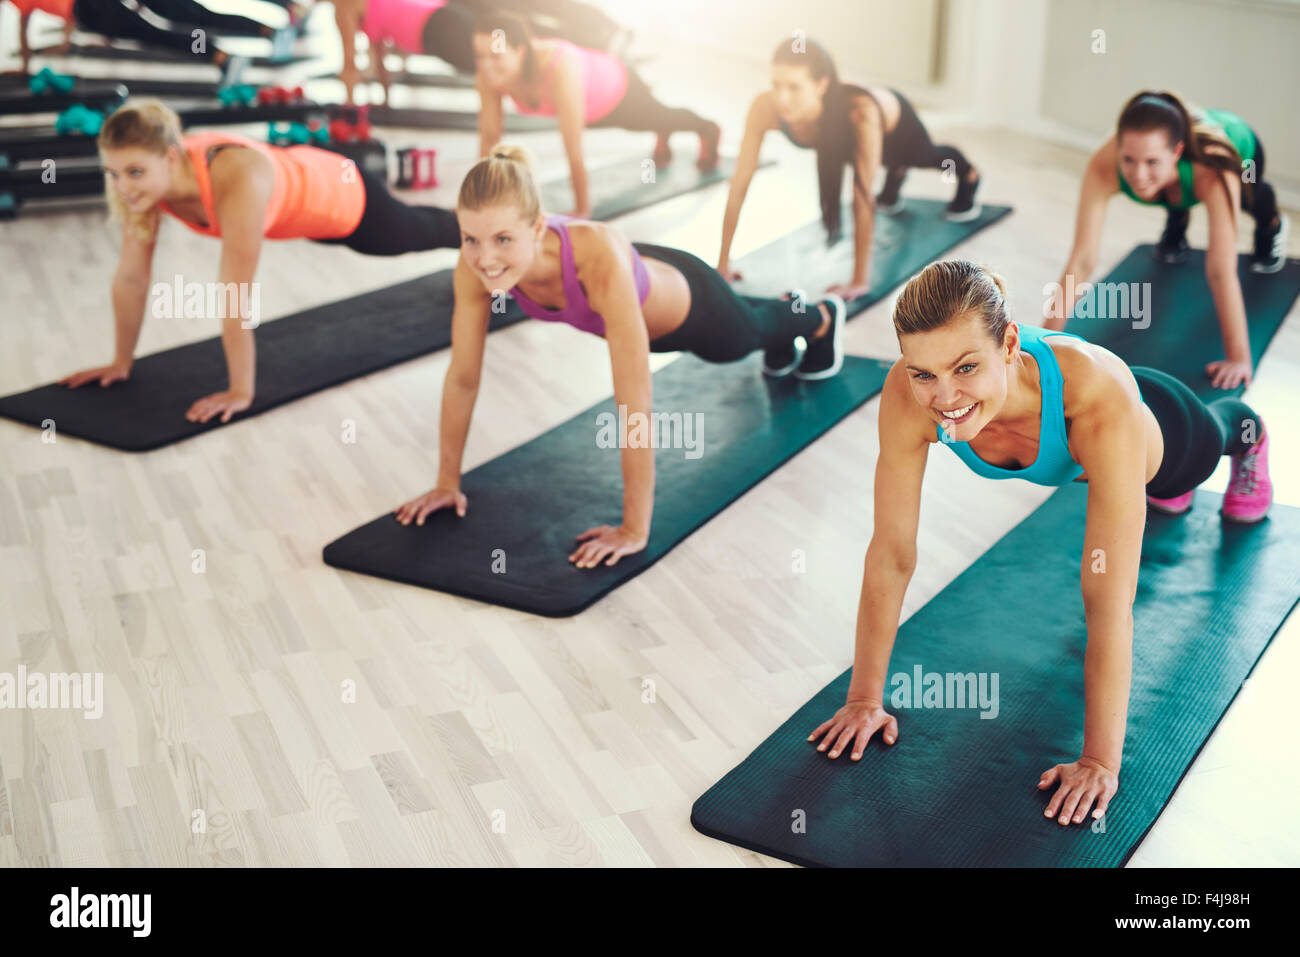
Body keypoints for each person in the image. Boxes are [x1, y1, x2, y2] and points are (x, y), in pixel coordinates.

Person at [809, 259, 1273, 826]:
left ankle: (1251, 437)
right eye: (923, 372)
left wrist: (1100, 760)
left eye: (965, 367)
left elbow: (1108, 597)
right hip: (1091, 448)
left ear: (1008, 344)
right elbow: (891, 551)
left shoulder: (1095, 396)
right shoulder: (911, 396)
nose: (945, 396)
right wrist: (863, 699)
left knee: (1204, 447)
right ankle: (1139, 482)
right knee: (1129, 488)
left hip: (1158, 430)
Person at [393, 145, 847, 568]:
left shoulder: (594, 256)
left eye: (503, 240)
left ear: (536, 227)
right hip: (636, 290)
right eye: (471, 239)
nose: (485, 258)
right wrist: (446, 483)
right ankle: (787, 311)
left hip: (688, 306)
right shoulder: (475, 265)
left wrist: (634, 527)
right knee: (755, 324)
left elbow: (634, 399)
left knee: (740, 340)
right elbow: (463, 377)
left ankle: (820, 316)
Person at [59, 100, 461, 423]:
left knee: (421, 232)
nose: (123, 186)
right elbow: (131, 277)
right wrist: (119, 363)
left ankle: (493, 228)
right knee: (422, 223)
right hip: (299, 200)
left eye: (133, 172)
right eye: (113, 173)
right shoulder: (147, 187)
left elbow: (235, 293)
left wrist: (240, 392)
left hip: (343, 199)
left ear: (169, 157)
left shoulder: (236, 180)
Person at [1046, 90, 1289, 391]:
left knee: (1250, 199)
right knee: (1169, 193)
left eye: (1151, 161)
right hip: (1178, 174)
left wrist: (1239, 358)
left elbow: (1220, 271)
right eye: (1129, 160)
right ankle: (1178, 215)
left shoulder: (1215, 168)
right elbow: (1082, 260)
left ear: (1176, 153)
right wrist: (1045, 342)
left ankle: (1272, 224)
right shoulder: (1104, 163)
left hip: (1241, 152)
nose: (1138, 173)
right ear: (1119, 147)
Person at [718, 37, 982, 302]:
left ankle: (968, 174)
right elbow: (739, 183)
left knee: (925, 156)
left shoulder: (859, 113)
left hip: (894, 123)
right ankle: (896, 172)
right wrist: (723, 263)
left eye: (794, 88)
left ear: (821, 85)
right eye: (776, 85)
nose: (782, 98)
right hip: (849, 136)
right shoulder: (764, 108)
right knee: (876, 158)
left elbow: (862, 195)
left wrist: (858, 281)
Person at [473, 10, 720, 218]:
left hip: (618, 91)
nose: (486, 65)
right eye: (480, 55)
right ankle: (663, 129)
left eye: (495, 55)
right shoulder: (489, 73)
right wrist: (479, 198)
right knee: (657, 118)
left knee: (659, 116)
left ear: (521, 51)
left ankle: (708, 128)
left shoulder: (559, 67)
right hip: (589, 106)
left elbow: (573, 145)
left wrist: (582, 209)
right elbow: (490, 136)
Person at [6, 0, 295, 79]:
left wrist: (67, 37)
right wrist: (27, 58)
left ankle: (262, 34)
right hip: (89, 11)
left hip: (90, 10)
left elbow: (27, 22)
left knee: (182, 15)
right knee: (171, 22)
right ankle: (223, 54)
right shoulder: (18, 4)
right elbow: (24, 21)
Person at [332, 0, 477, 104]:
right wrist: (385, 98)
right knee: (489, 63)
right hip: (441, 17)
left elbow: (349, 61)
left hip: (435, 27)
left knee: (487, 68)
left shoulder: (343, 5)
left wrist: (349, 112)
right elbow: (379, 56)